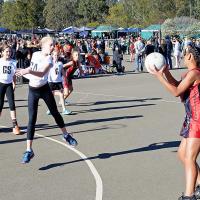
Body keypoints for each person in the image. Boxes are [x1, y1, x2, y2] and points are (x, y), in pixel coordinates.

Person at [16, 37, 78, 164]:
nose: (52, 47)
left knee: (55, 112)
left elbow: (40, 73)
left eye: (53, 45)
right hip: (32, 90)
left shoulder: (49, 59)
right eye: (50, 45)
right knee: (31, 119)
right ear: (43, 45)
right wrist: (23, 72)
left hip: (44, 89)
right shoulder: (35, 54)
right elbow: (32, 71)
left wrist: (26, 71)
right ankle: (29, 150)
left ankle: (66, 135)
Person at [150, 45, 200, 200]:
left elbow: (176, 92)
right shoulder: (190, 74)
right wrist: (166, 73)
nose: (183, 57)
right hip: (191, 119)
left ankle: (189, 195)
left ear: (190, 56)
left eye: (184, 54)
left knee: (190, 158)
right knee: (182, 155)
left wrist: (159, 77)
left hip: (198, 120)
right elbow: (179, 86)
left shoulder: (195, 73)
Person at [0, 45, 21, 135]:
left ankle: (15, 125)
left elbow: (14, 75)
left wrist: (14, 83)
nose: (8, 53)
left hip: (9, 84)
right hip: (0, 84)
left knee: (12, 104)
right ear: (2, 52)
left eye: (10, 51)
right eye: (6, 51)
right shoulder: (0, 61)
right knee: (0, 105)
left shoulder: (13, 62)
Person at [47, 50, 71, 115]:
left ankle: (64, 110)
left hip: (59, 82)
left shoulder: (60, 63)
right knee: (51, 96)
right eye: (55, 55)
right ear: (52, 56)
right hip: (51, 82)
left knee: (61, 95)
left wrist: (65, 80)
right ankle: (50, 109)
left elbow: (63, 72)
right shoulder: (50, 63)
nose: (56, 56)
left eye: (57, 55)